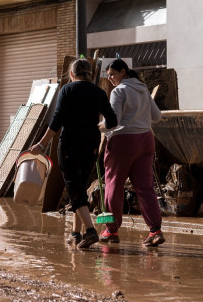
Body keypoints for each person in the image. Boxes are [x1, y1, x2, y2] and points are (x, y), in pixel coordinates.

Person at [30, 58, 117, 249]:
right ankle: (75, 234)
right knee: (78, 188)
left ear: (71, 74)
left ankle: (90, 230)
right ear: (90, 74)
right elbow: (112, 120)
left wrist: (41, 145)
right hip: (92, 144)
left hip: (70, 144)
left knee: (74, 188)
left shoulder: (67, 90)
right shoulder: (98, 91)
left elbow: (56, 121)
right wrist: (97, 127)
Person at [100, 59, 164, 246]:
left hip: (123, 142)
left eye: (112, 74)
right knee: (145, 188)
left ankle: (111, 230)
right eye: (108, 75)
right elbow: (157, 116)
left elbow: (114, 121)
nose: (110, 78)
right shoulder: (143, 89)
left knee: (113, 184)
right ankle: (155, 230)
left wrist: (100, 126)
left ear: (123, 72)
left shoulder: (118, 91)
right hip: (146, 140)